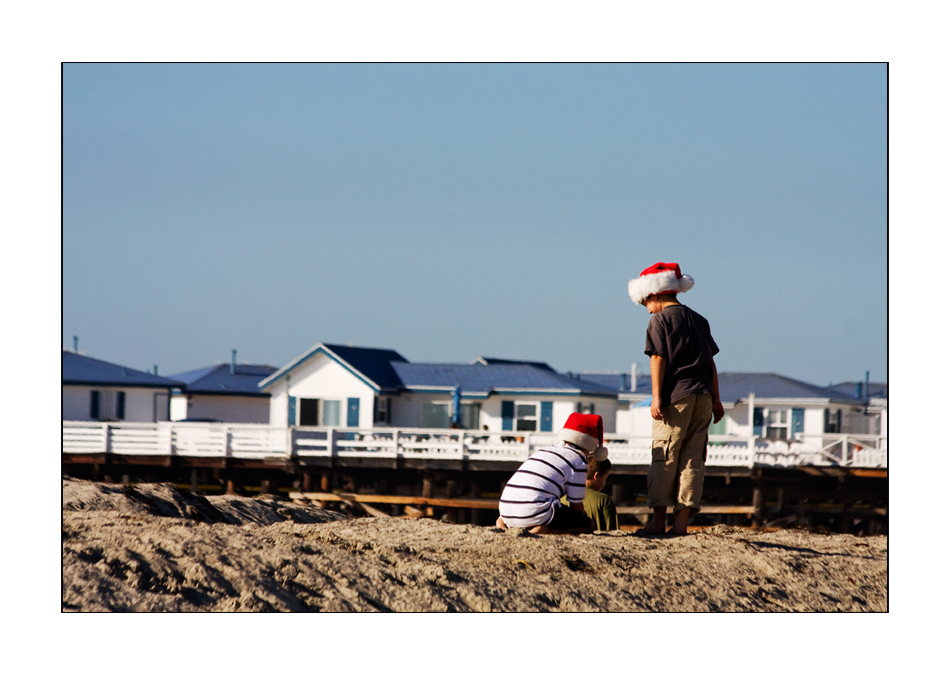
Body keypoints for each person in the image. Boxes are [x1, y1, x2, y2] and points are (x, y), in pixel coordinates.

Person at [628, 262, 724, 537]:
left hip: (676, 396)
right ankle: (680, 525)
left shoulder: (659, 320)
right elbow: (711, 364)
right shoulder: (699, 319)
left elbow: (659, 358)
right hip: (704, 395)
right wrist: (717, 400)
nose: (646, 307)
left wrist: (657, 397)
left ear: (656, 293)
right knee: (693, 458)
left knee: (664, 456)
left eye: (646, 300)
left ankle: (658, 523)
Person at [495, 413, 608, 535]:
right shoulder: (578, 459)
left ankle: (502, 525)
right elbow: (576, 504)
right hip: (536, 511)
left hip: (506, 511)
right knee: (588, 525)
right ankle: (544, 530)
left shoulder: (544, 450)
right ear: (590, 444)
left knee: (525, 513)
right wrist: (582, 518)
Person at [560, 456, 618, 531]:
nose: (605, 482)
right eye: (605, 478)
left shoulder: (562, 498)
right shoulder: (604, 500)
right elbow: (613, 533)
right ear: (596, 476)